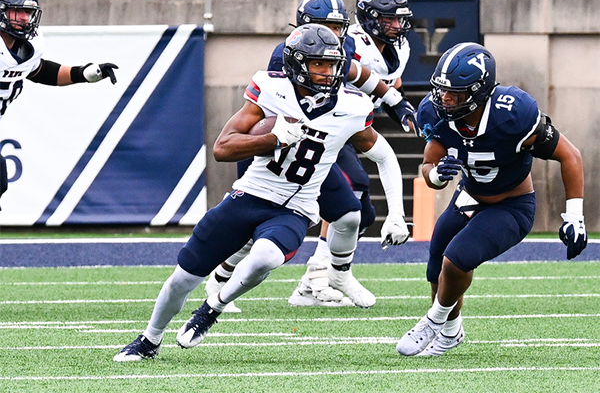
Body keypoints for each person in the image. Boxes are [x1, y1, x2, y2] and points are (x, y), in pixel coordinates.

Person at [114, 24, 409, 361]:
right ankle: (149, 340)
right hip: (250, 196)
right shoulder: (271, 90)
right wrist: (272, 139)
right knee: (181, 279)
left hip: (295, 208)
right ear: (297, 64)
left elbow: (384, 155)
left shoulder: (351, 107)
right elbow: (223, 149)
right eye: (318, 65)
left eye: (332, 65)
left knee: (266, 257)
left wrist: (397, 215)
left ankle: (212, 308)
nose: (328, 73)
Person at [205, 0, 415, 311]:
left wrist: (394, 100)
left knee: (355, 214)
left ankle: (323, 276)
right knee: (257, 224)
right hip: (281, 146)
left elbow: (357, 73)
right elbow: (282, 117)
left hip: (323, 140)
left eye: (336, 27)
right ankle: (222, 279)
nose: (330, 37)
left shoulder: (345, 51)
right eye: (324, 26)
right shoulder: (287, 56)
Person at [395, 42, 587, 357]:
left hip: (512, 204)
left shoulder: (514, 114)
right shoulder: (436, 114)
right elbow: (427, 167)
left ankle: (433, 321)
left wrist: (575, 216)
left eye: (455, 93)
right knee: (436, 262)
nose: (444, 99)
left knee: (457, 258)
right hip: (469, 195)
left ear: (479, 92)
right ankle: (452, 332)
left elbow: (570, 155)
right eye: (442, 90)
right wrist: (437, 176)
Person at [0, 0, 118, 204]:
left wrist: (83, 73)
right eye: (19, 11)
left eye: (28, 12)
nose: (26, 18)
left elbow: (40, 71)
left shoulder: (27, 48)